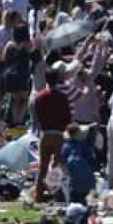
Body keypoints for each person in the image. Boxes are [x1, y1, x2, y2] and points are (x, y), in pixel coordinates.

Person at [32, 66, 71, 202]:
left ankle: (39, 195)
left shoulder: (40, 97)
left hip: (45, 134)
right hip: (59, 134)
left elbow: (37, 116)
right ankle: (56, 194)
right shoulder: (62, 97)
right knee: (57, 166)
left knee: (42, 166)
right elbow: (67, 117)